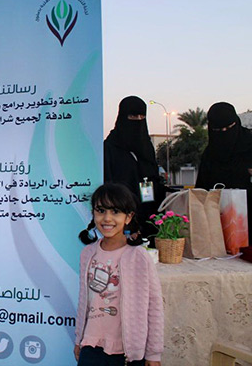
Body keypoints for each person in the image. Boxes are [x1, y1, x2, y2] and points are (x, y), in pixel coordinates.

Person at [74, 183, 163, 366]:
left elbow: (154, 306)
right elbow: (84, 300)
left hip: (128, 352)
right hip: (91, 345)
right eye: (101, 211)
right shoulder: (88, 253)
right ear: (93, 213)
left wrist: (153, 353)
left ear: (128, 217)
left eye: (115, 211)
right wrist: (79, 339)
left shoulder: (139, 256)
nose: (107, 218)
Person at [104, 96, 165, 238]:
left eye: (142, 117)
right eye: (132, 116)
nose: (138, 120)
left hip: (149, 214)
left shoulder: (146, 147)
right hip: (123, 218)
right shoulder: (110, 148)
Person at [196, 102, 252, 240]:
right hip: (218, 226)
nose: (225, 132)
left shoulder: (249, 144)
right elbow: (202, 190)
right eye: (219, 130)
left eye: (229, 127)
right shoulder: (210, 155)